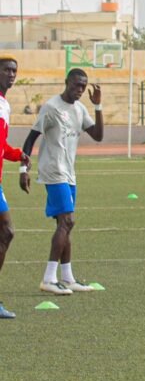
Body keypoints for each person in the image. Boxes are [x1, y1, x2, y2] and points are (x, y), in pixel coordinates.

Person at [20, 68, 104, 295]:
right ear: (66, 82)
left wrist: (98, 106)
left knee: (64, 225)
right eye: (76, 84)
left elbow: (98, 135)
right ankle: (49, 278)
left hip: (69, 173)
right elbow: (31, 138)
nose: (80, 89)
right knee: (67, 221)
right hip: (53, 170)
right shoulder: (51, 107)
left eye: (83, 86)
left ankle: (67, 278)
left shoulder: (80, 109)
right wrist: (23, 169)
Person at [0, 55, 31, 319]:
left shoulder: (4, 104)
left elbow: (1, 146)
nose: (11, 74)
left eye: (14, 70)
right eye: (6, 70)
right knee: (6, 231)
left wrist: (18, 154)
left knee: (6, 232)